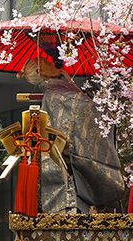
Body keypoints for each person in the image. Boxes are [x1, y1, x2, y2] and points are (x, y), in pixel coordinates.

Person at [20, 53, 125, 213]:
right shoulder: (64, 97)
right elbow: (91, 116)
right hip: (71, 170)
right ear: (44, 70)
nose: (50, 62)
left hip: (56, 169)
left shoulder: (56, 94)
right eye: (45, 62)